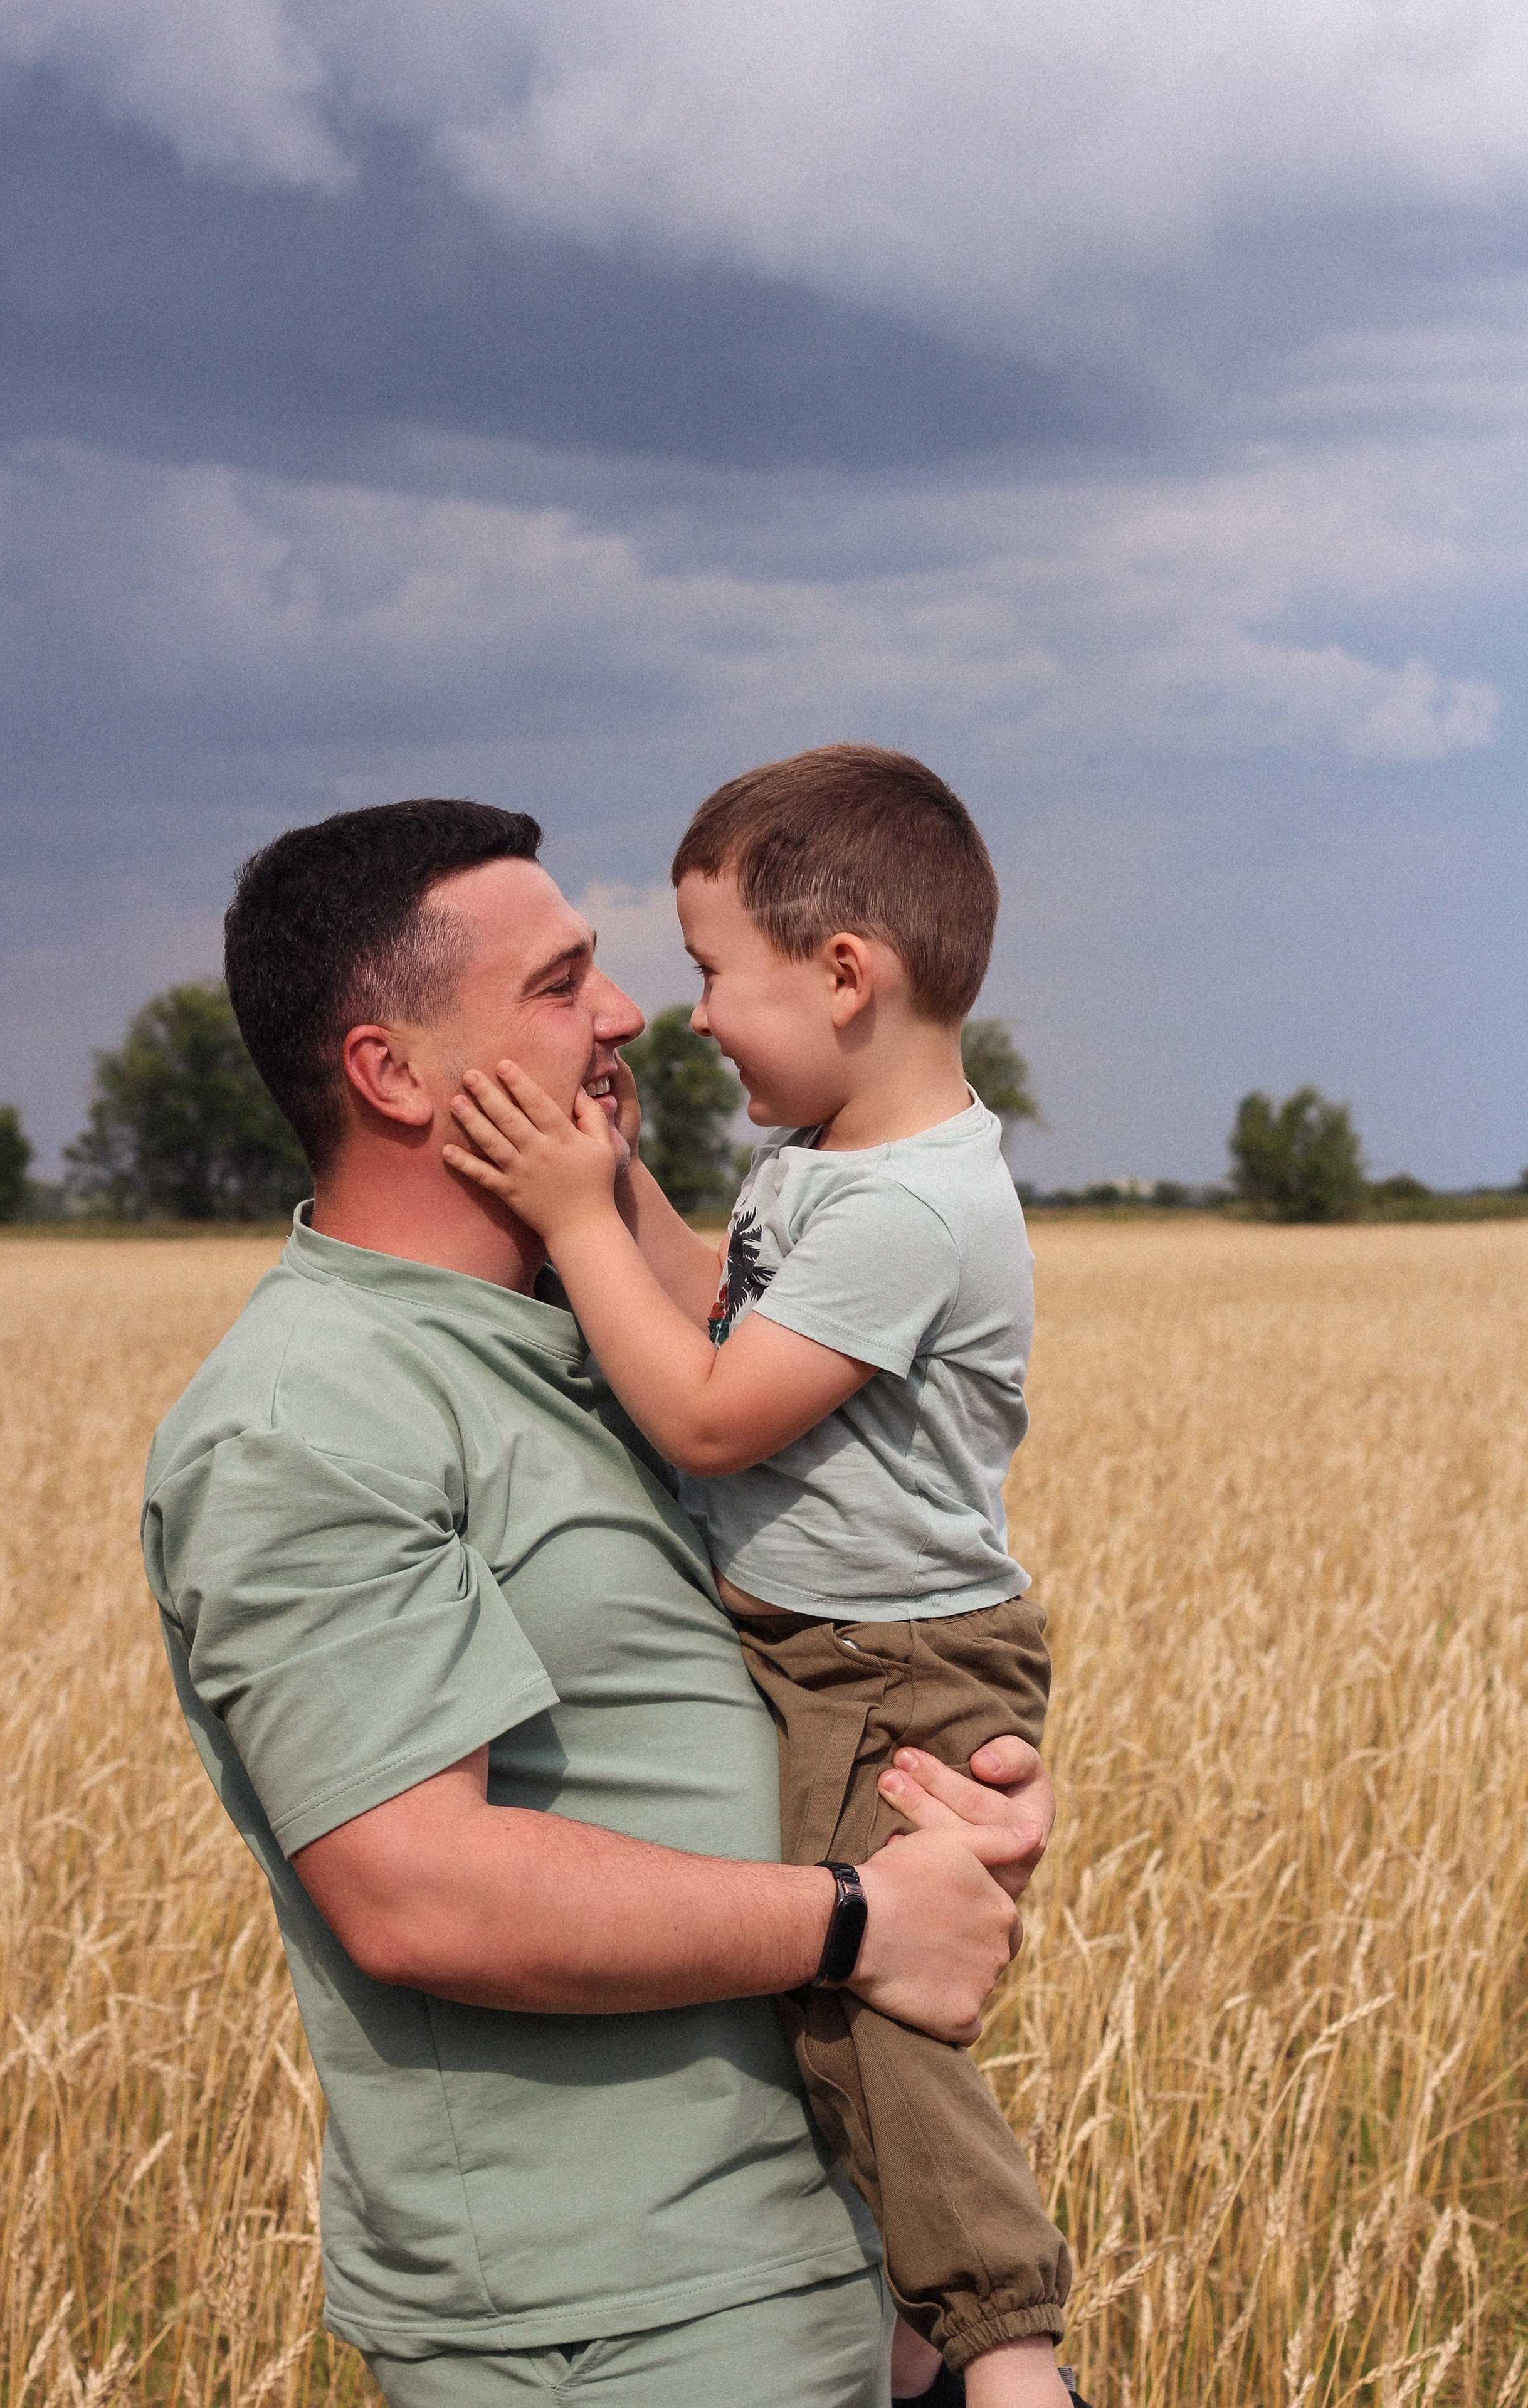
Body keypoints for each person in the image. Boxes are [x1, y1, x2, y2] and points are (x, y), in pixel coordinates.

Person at [140, 796, 1058, 2408]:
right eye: (562, 984)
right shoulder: (310, 1417)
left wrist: (940, 1787)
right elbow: (421, 1891)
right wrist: (856, 1918)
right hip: (620, 2327)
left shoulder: (583, 1336)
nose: (630, 1010)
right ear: (393, 1075)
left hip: (817, 2270)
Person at [443, 748, 1077, 2408]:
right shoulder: (827, 1168)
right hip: (829, 1643)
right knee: (811, 1984)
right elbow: (712, 1302)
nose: (693, 1013)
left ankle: (1004, 2355)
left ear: (848, 974)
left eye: (720, 969)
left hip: (896, 1663)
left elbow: (712, 1414)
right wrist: (618, 1179)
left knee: (869, 1986)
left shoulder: (918, 1209)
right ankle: (893, 2322)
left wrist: (574, 1220)